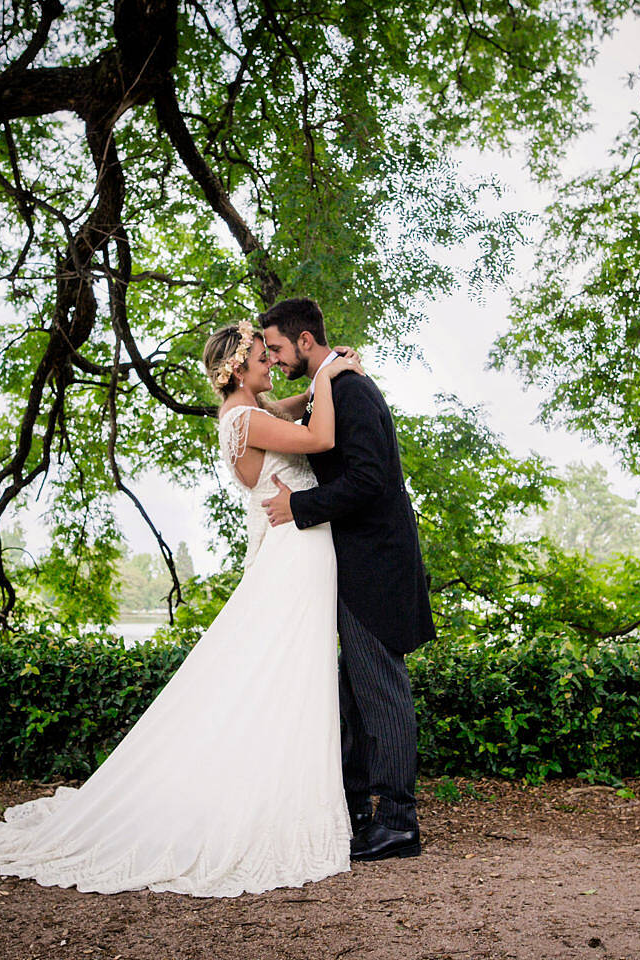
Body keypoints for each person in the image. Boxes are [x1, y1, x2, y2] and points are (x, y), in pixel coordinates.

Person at [0, 319, 364, 897]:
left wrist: (317, 379)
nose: (270, 364)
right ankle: (279, 807)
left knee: (290, 677)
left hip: (298, 552)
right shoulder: (246, 419)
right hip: (295, 555)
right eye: (260, 357)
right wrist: (331, 370)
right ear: (234, 369)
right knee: (289, 676)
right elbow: (322, 437)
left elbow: (293, 402)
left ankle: (289, 794)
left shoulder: (252, 411)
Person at [258, 296, 436, 862]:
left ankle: (399, 821)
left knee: (382, 693)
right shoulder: (334, 386)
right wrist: (324, 378)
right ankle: (359, 808)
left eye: (280, 349)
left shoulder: (353, 391)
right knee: (357, 695)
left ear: (305, 341)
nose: (276, 359)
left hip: (375, 566)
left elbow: (367, 481)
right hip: (355, 563)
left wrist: (299, 506)